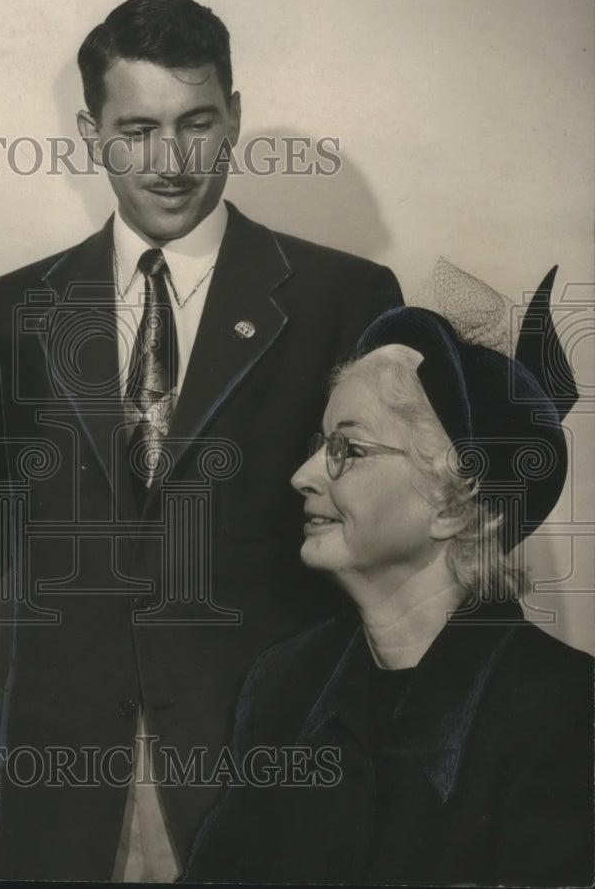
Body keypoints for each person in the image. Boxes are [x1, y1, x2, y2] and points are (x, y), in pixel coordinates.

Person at [0, 0, 401, 880]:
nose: (172, 159)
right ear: (91, 130)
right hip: (62, 776)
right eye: (137, 128)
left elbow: (392, 536)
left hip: (273, 767)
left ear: (236, 119)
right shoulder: (10, 312)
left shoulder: (347, 298)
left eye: (198, 122)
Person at [182, 268, 594, 885]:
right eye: (320, 442)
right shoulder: (283, 685)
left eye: (348, 448)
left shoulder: (567, 713)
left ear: (454, 502)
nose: (304, 474)